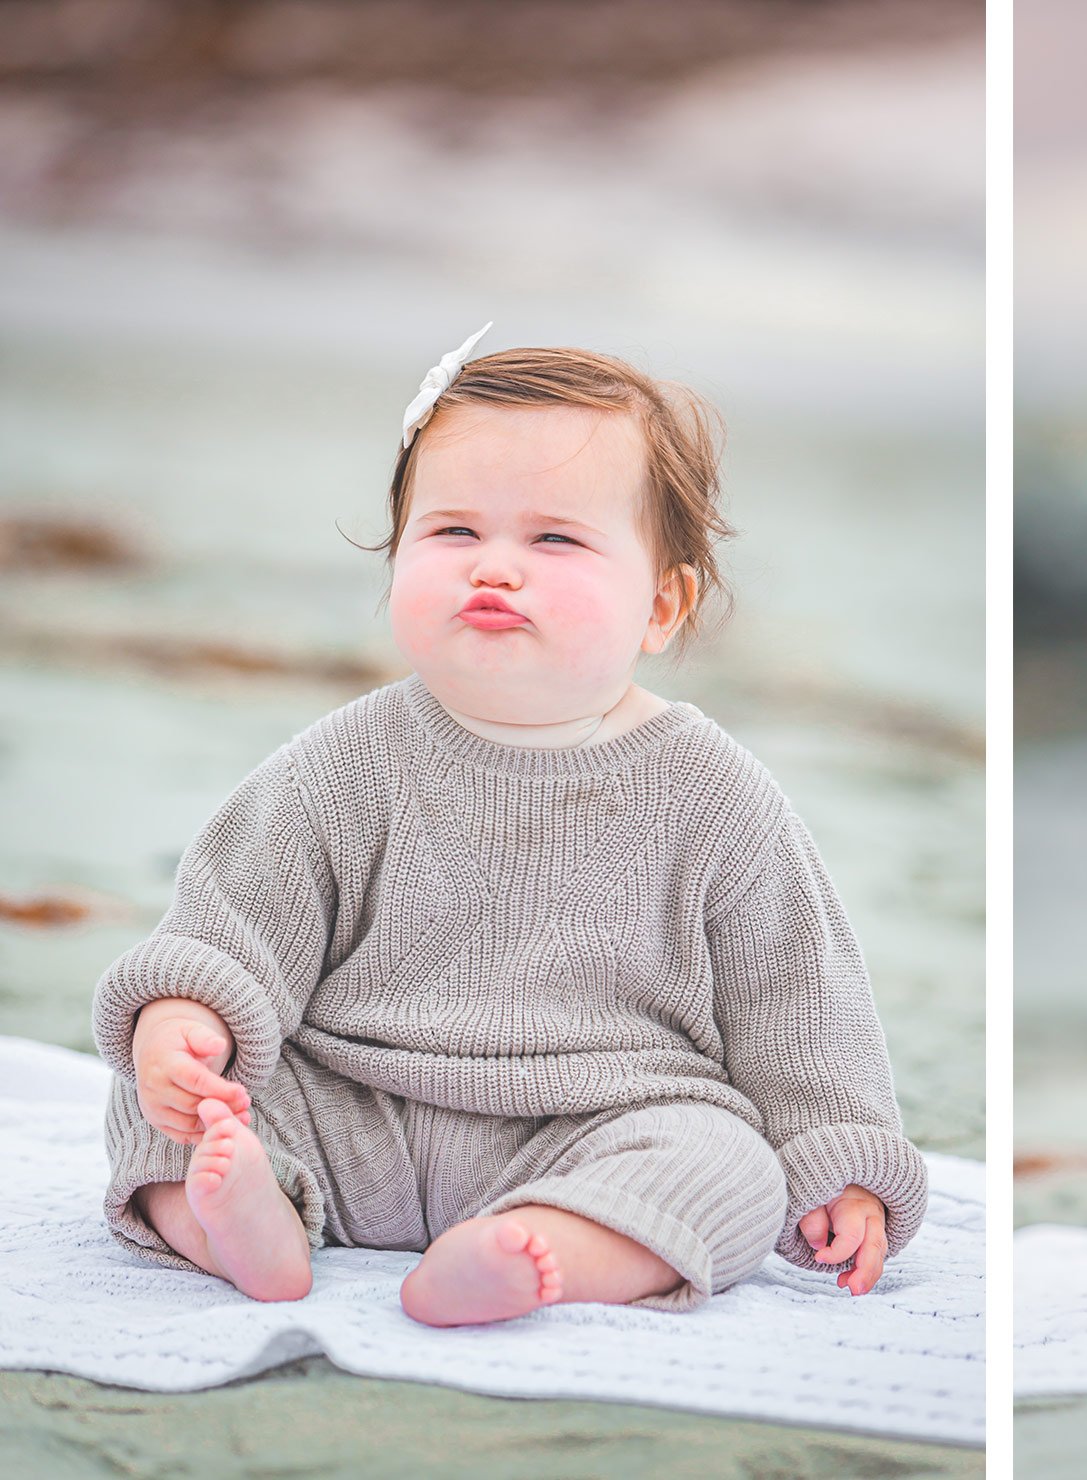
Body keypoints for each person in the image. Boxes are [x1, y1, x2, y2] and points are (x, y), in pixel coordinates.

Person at [94, 329, 927, 1324]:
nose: (495, 568)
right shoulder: (347, 758)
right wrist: (183, 1027)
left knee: (727, 1167)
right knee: (160, 1109)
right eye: (451, 532)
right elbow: (231, 918)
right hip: (353, 1107)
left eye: (554, 539)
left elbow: (798, 998)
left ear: (660, 604)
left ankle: (536, 1249)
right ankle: (241, 1220)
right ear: (396, 556)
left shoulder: (714, 792)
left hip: (594, 1122)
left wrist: (841, 1160)